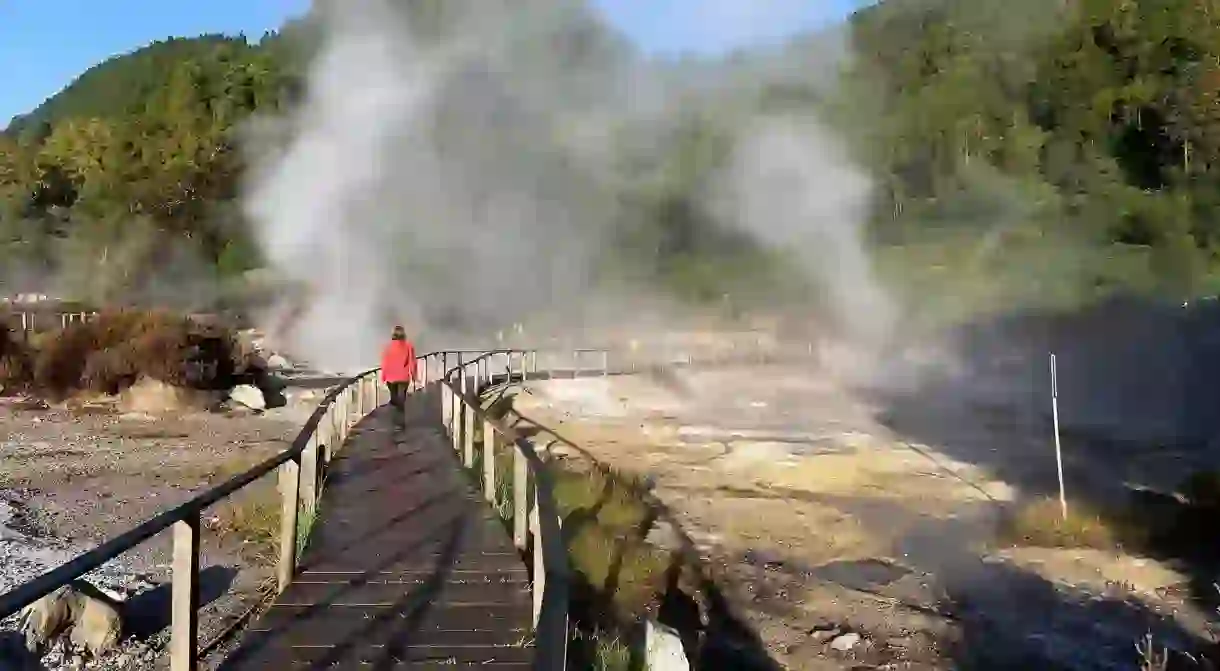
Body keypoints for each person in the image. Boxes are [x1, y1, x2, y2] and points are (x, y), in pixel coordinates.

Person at [380, 325, 417, 413]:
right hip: (403, 377)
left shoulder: (387, 347)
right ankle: (399, 422)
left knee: (394, 398)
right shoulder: (409, 346)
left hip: (390, 378)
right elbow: (412, 362)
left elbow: (385, 362)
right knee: (401, 400)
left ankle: (394, 417)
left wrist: (383, 376)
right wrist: (414, 375)